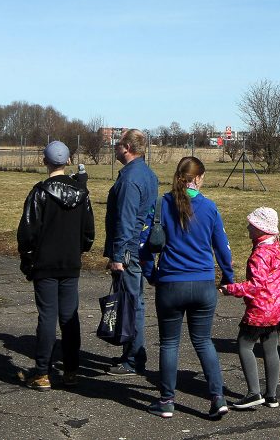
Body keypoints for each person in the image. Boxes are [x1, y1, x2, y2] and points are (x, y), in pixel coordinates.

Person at [142, 156, 234, 419]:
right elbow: (223, 249)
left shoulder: (161, 205)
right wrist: (227, 277)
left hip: (170, 283)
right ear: (199, 178)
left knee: (169, 343)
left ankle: (167, 400)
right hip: (203, 284)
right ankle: (217, 397)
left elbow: (144, 246)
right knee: (203, 341)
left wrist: (152, 275)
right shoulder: (209, 207)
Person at [15, 141, 95, 390]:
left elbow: (27, 232)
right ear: (68, 161)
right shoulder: (82, 193)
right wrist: (77, 250)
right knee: (69, 317)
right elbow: (88, 232)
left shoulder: (40, 192)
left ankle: (42, 373)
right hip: (70, 263)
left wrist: (28, 261)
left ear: (44, 161)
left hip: (45, 264)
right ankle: (70, 370)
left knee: (47, 317)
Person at [221, 207, 280, 410]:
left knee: (244, 345)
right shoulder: (278, 246)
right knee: (270, 348)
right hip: (278, 306)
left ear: (261, 229)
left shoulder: (260, 254)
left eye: (252, 225)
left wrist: (231, 289)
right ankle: (272, 395)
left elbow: (255, 285)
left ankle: (253, 392)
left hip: (261, 308)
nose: (248, 228)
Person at [104, 129, 159, 377]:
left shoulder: (129, 179)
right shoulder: (148, 174)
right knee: (134, 301)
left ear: (126, 147)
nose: (115, 148)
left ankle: (135, 358)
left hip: (129, 249)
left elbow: (126, 219)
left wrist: (118, 255)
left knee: (131, 302)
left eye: (118, 144)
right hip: (141, 245)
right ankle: (131, 353)